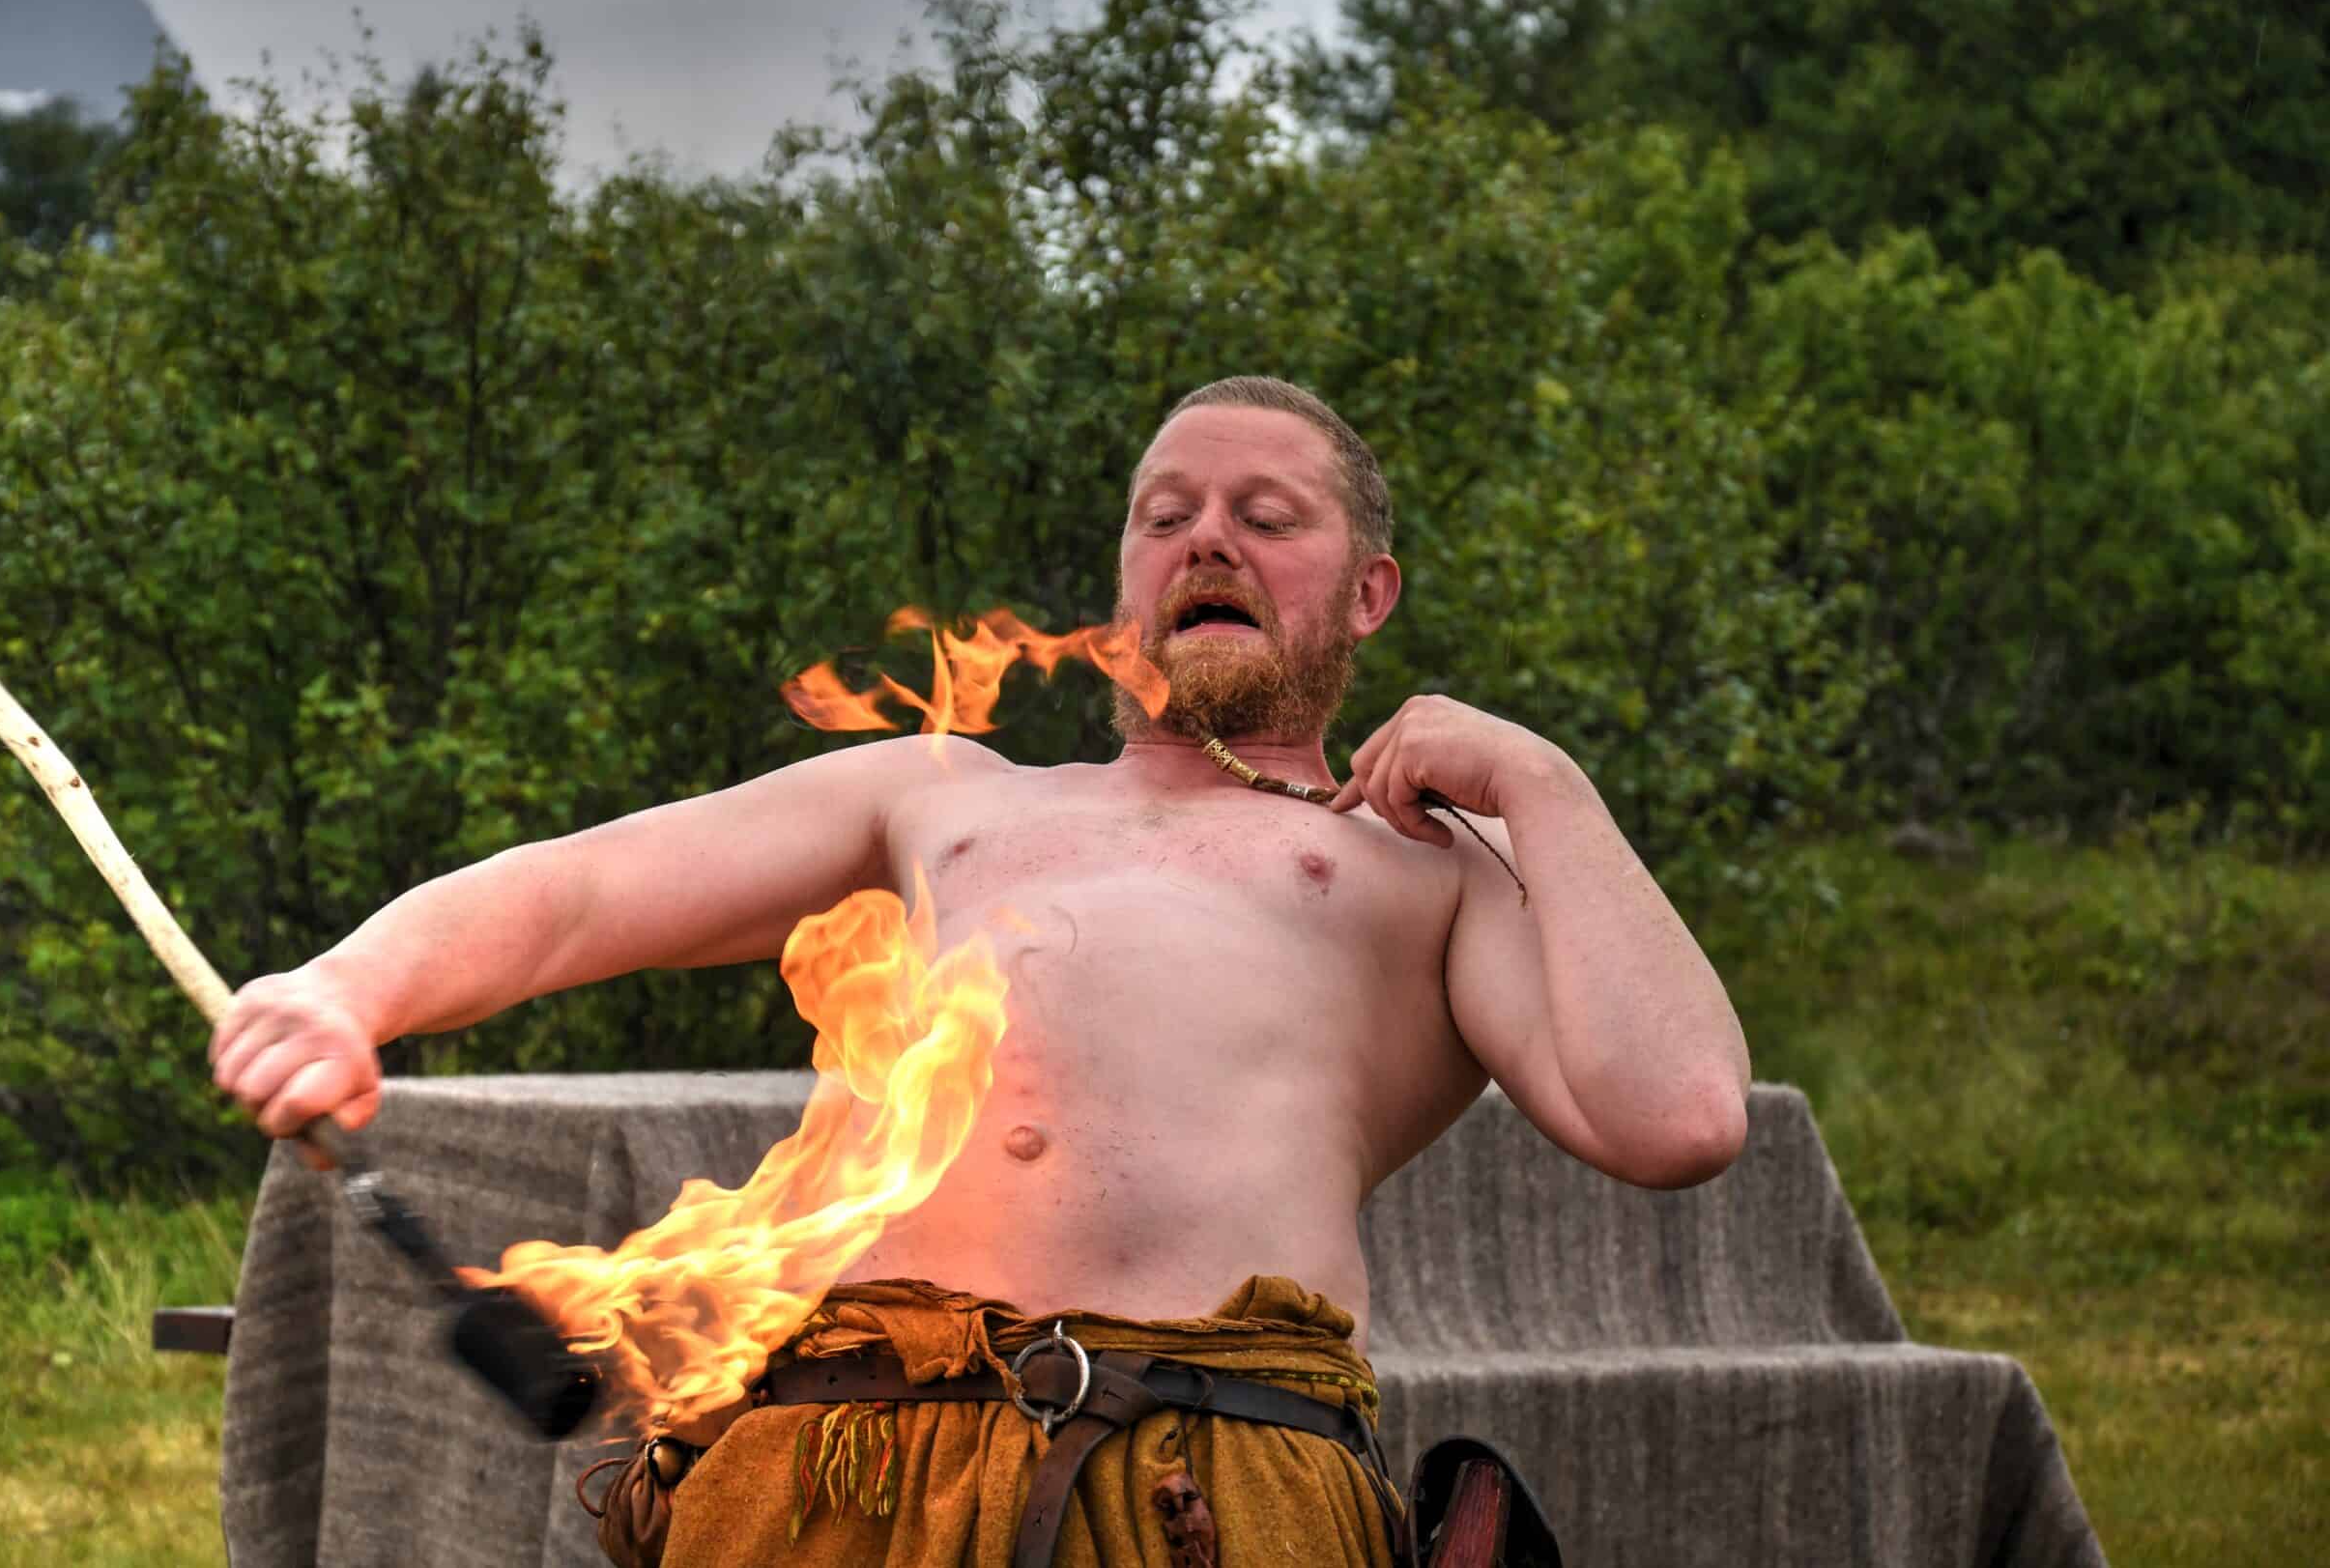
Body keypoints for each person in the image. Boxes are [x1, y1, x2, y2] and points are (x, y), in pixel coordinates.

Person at [211, 375, 1750, 1568]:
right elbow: (575, 894)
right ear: (1125, 576)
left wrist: (1543, 785)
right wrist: (352, 989)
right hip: (829, 1469)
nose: (1206, 536)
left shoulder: (1424, 875)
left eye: (1269, 514)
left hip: (1198, 1482)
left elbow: (1679, 1116)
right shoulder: (945, 795)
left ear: (1369, 594)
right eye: (1166, 513)